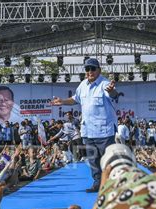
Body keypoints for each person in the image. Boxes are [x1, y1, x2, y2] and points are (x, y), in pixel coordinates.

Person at [51, 58, 119, 192]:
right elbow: (75, 99)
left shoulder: (105, 84)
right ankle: (97, 183)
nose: (90, 72)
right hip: (87, 130)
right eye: (87, 69)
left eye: (93, 69)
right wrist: (63, 101)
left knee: (107, 160)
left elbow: (113, 95)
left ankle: (111, 185)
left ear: (99, 70)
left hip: (104, 131)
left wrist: (112, 91)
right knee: (93, 160)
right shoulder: (82, 85)